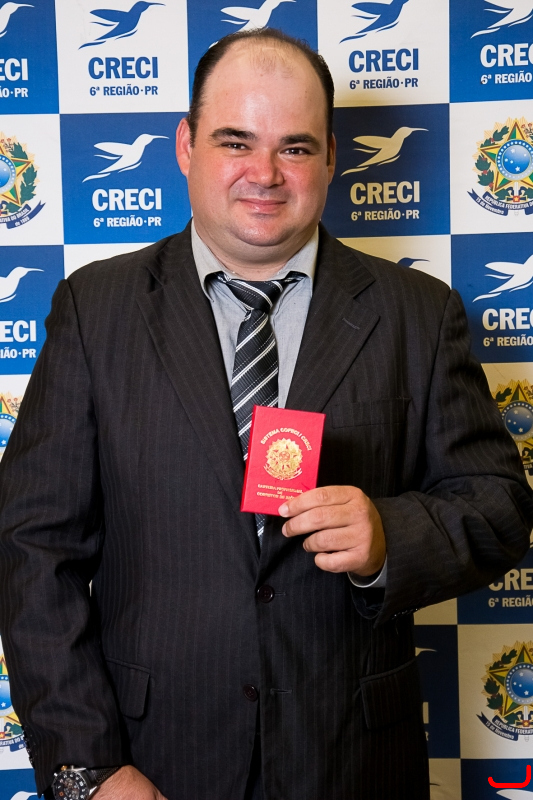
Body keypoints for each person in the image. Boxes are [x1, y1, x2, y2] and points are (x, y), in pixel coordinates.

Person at [0, 28, 532, 800]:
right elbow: (32, 549)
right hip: (152, 764)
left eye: (294, 147)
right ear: (186, 146)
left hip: (352, 765)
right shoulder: (96, 309)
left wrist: (390, 536)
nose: (264, 174)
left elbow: (498, 508)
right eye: (235, 141)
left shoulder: (417, 313)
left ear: (331, 157)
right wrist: (89, 769)